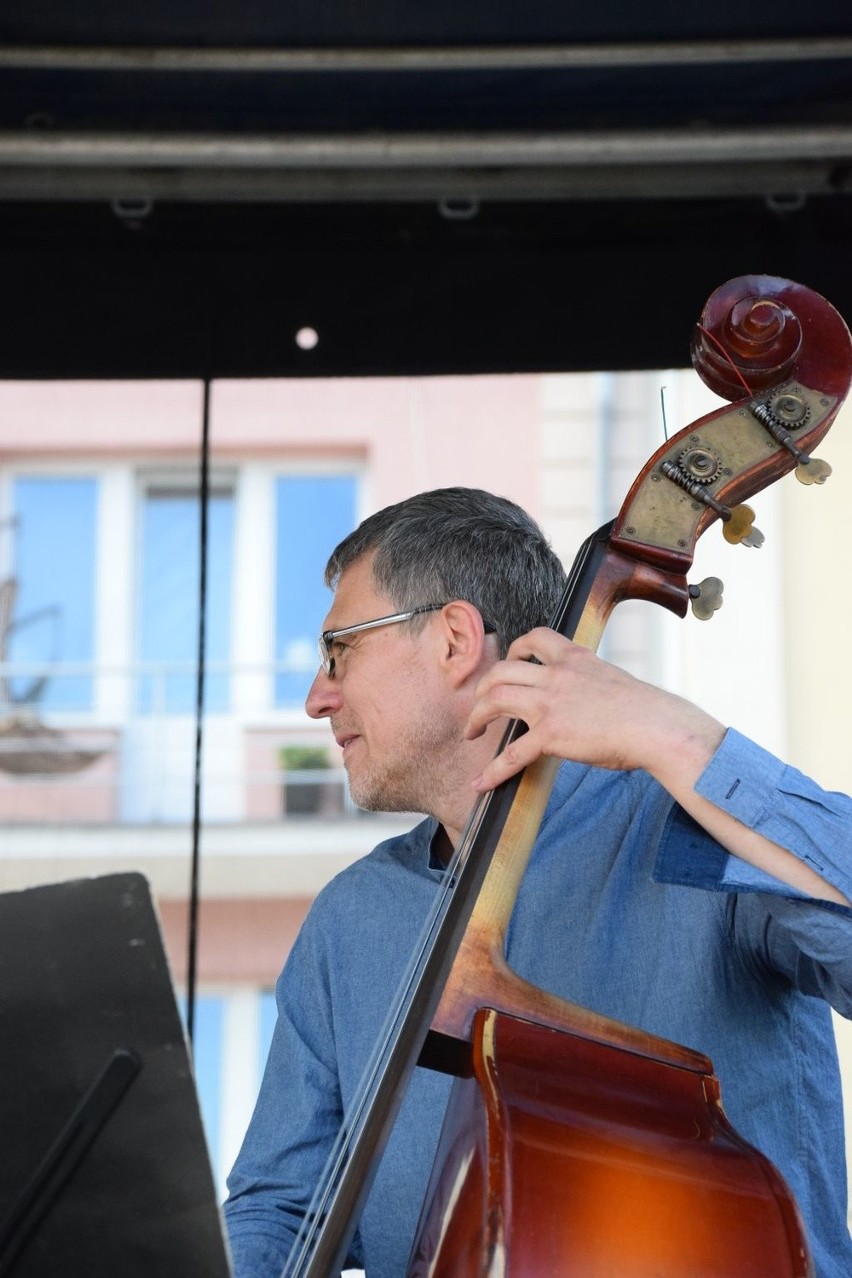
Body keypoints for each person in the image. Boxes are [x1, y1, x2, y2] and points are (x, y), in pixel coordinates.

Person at [224, 487, 852, 1278]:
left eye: (338, 651)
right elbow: (281, 1210)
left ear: (454, 639)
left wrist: (678, 738)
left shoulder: (694, 829)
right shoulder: (351, 920)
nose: (317, 697)